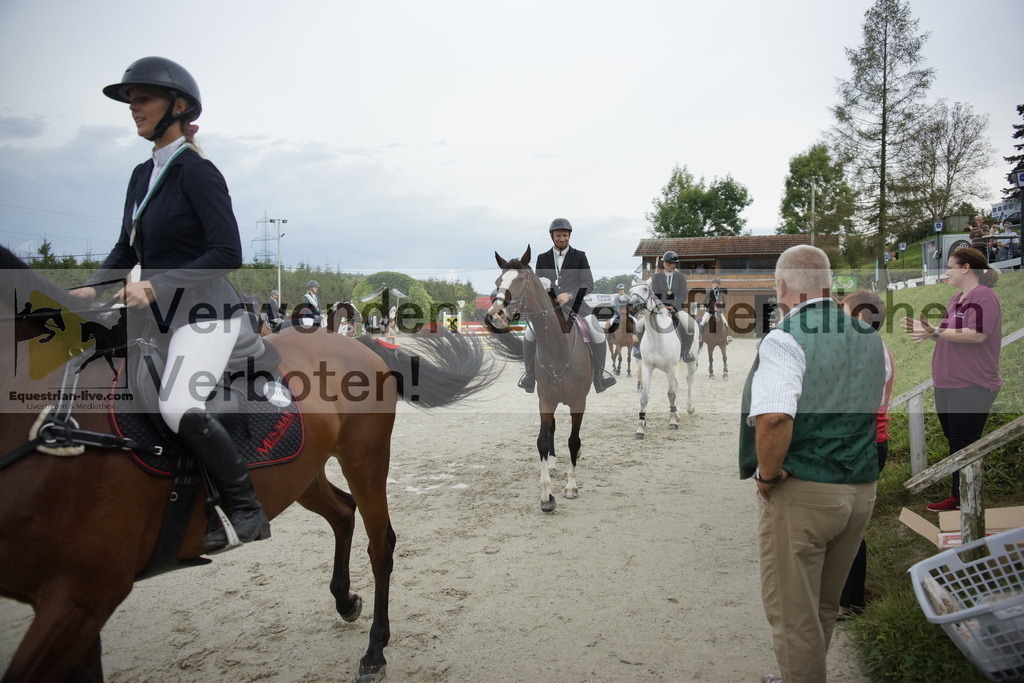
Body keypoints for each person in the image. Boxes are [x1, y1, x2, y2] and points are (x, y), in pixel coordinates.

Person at [69, 57, 270, 553]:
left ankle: (242, 508)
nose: (133, 109)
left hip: (208, 315)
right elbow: (125, 249)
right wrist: (91, 287)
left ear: (177, 108)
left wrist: (157, 286)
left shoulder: (198, 172)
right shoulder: (142, 175)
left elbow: (228, 253)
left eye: (143, 99)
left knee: (178, 403)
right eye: (131, 101)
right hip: (155, 317)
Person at [738, 245, 884, 683]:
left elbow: (776, 418)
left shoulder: (786, 336)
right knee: (822, 606)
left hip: (806, 491)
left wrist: (766, 475)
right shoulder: (869, 334)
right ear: (827, 284)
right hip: (861, 489)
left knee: (792, 616)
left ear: (781, 286)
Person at [901, 247, 1002, 512]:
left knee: (963, 445)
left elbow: (977, 334)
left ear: (966, 268)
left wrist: (937, 331)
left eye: (950, 266)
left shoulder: (983, 296)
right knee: (956, 444)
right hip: (947, 383)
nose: (946, 271)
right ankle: (960, 498)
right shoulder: (957, 297)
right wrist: (931, 333)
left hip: (972, 383)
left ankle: (965, 503)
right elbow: (950, 332)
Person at [838, 290, 895, 619]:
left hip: (863, 442)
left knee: (851, 527)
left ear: (859, 318)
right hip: (867, 440)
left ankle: (850, 602)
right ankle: (847, 596)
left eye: (844, 312)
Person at [520, 217, 616, 393]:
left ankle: (599, 378)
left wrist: (570, 294)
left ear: (569, 236)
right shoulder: (542, 258)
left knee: (598, 333)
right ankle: (529, 376)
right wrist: (549, 295)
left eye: (565, 235)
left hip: (577, 306)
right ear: (552, 237)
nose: (562, 238)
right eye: (558, 235)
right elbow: (537, 285)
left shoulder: (579, 256)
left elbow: (588, 283)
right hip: (550, 308)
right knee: (528, 334)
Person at [648, 251, 695, 362]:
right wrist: (661, 305)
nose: (667, 264)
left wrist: (672, 305)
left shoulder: (680, 277)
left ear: (674, 264)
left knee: (690, 326)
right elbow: (654, 294)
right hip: (659, 309)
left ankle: (686, 351)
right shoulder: (657, 277)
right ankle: (639, 349)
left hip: (676, 308)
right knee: (640, 325)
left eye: (670, 262)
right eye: (666, 262)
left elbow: (683, 296)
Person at [698, 277, 732, 343]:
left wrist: (722, 308)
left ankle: (727, 337)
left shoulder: (721, 293)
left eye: (714, 283)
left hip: (719, 311)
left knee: (725, 322)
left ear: (718, 285)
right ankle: (700, 336)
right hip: (709, 311)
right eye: (712, 283)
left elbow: (725, 302)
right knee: (702, 322)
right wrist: (709, 306)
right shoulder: (709, 292)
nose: (713, 285)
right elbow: (704, 301)